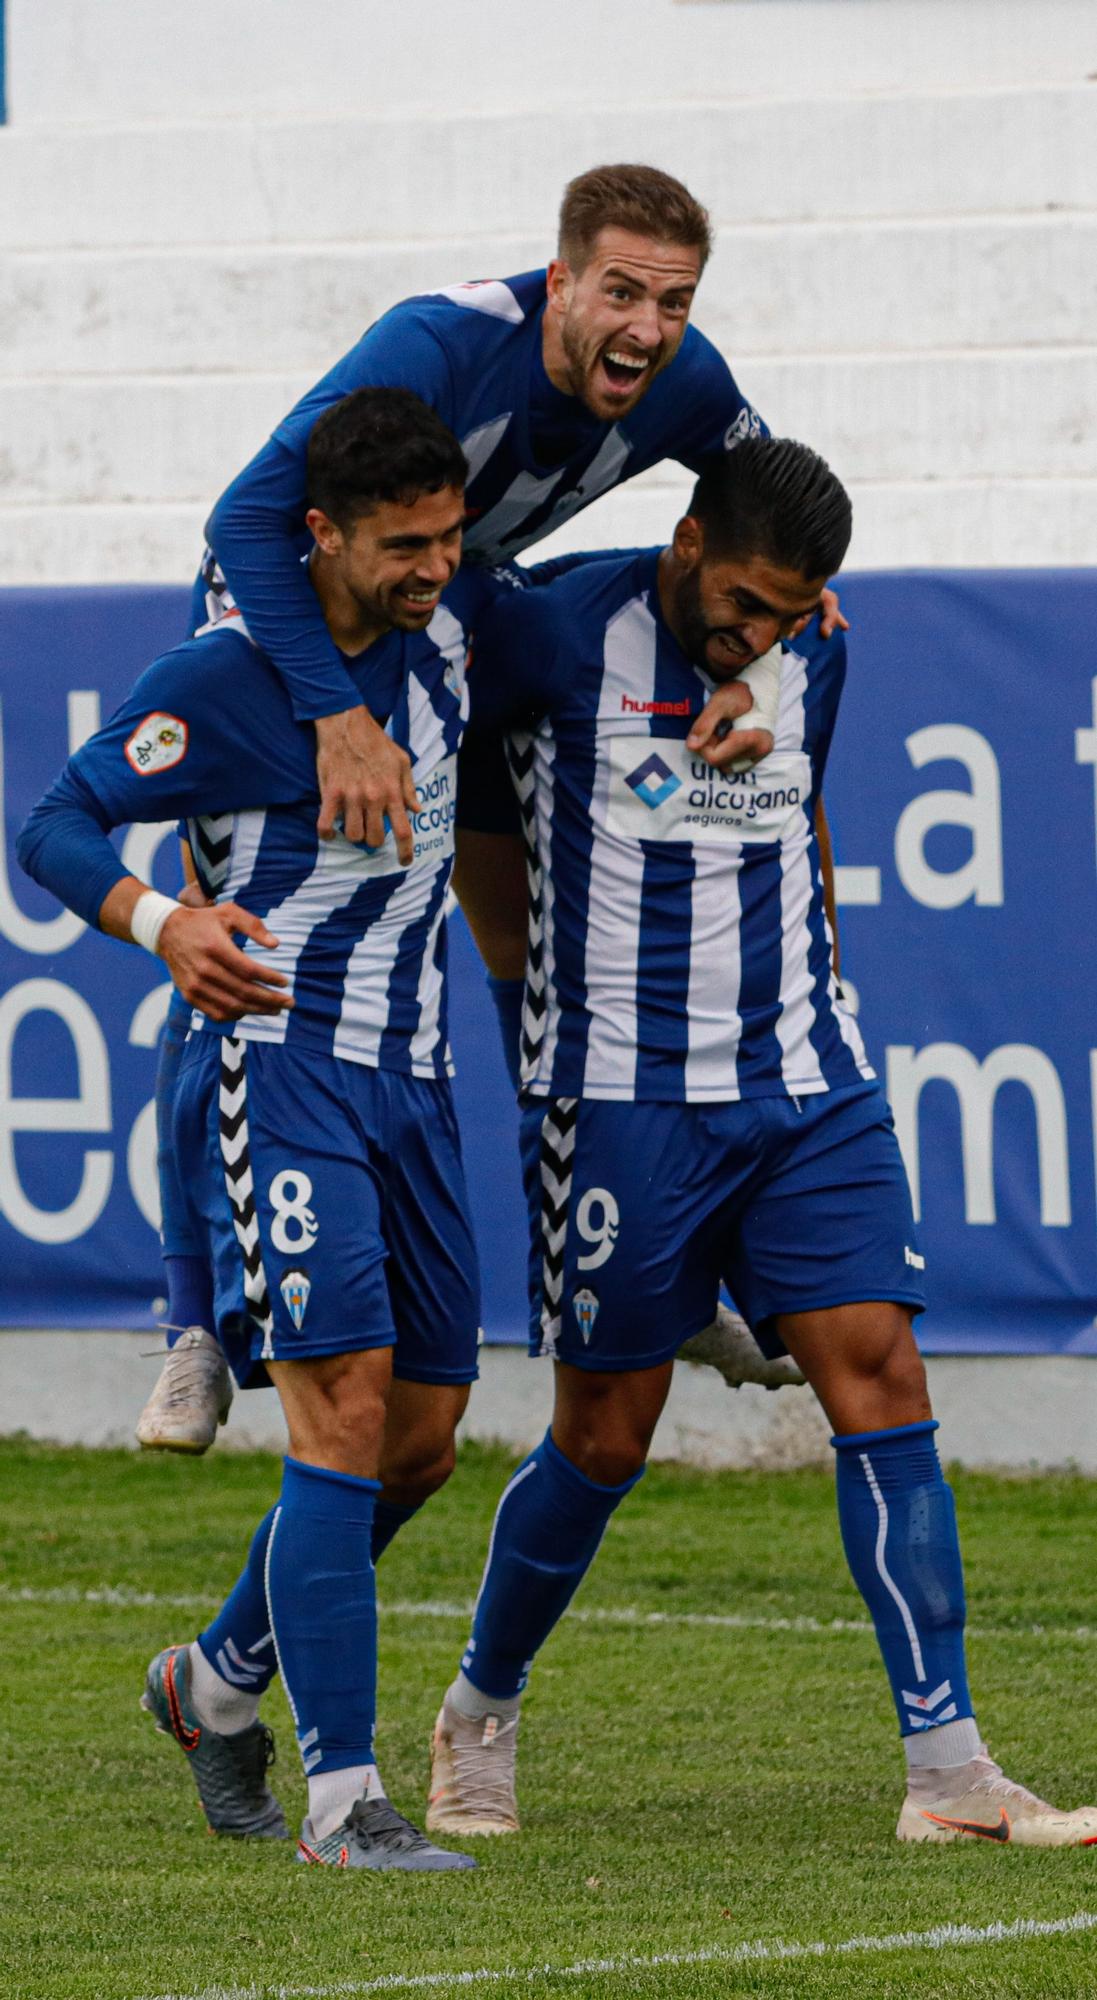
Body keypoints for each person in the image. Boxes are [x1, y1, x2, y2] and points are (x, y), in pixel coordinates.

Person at [424, 437, 1097, 1851]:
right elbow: (481, 835)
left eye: (792, 610)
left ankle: (948, 1768)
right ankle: (478, 1710)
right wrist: (537, 1028)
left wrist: (825, 991)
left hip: (807, 1079)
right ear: (682, 542)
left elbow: (803, 824)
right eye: (745, 599)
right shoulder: (548, 630)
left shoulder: (813, 651)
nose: (764, 630)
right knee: (604, 1435)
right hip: (619, 1100)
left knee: (882, 1377)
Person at [142, 162, 825, 1450]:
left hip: (460, 613)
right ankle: (190, 1324)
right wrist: (335, 716)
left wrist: (773, 679)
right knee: (234, 939)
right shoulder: (440, 345)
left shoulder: (694, 383)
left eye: (672, 301)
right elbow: (244, 518)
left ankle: (633, 1259)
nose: (646, 327)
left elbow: (769, 530)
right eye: (620, 291)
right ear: (560, 280)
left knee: (533, 936)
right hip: (295, 616)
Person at [18, 389, 510, 1870]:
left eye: (448, 538)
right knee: (340, 1413)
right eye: (403, 545)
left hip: (414, 1081)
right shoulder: (228, 677)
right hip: (281, 1071)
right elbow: (51, 822)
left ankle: (214, 1679)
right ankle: (346, 1801)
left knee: (420, 1444)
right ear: (321, 536)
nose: (435, 567)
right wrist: (165, 923)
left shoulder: (451, 631)